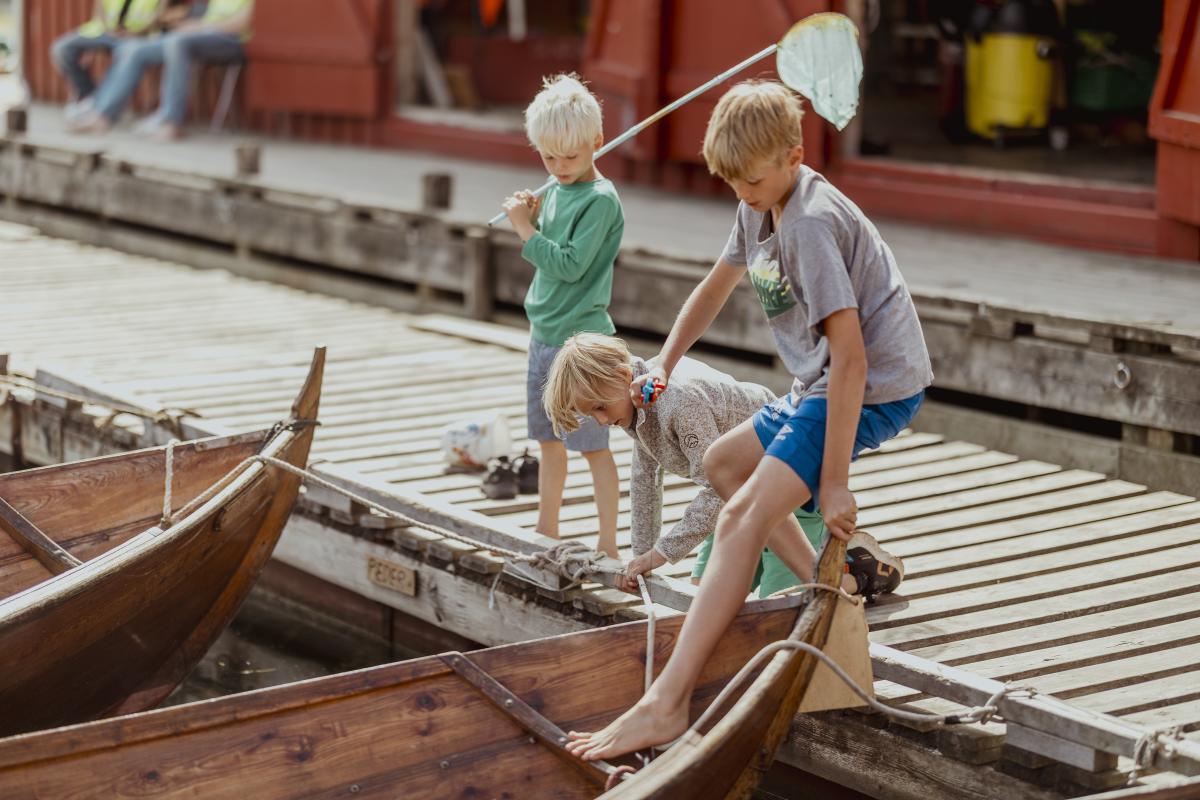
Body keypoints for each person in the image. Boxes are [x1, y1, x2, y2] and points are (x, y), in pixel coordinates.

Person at [565, 79, 933, 762]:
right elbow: (714, 288)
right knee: (724, 464)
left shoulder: (810, 224)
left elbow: (852, 358)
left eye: (753, 180)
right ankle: (831, 589)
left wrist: (834, 481)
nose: (743, 193)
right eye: (732, 182)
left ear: (795, 156)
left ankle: (666, 703)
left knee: (738, 519)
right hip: (818, 382)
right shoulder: (760, 205)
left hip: (867, 387)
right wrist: (665, 362)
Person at [543, 332, 903, 599]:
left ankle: (856, 572)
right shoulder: (636, 407)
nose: (601, 421)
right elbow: (645, 481)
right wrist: (641, 558)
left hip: (789, 489)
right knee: (704, 597)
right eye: (591, 414)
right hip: (738, 499)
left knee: (789, 604)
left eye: (600, 407)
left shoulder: (678, 403)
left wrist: (662, 553)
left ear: (624, 375)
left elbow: (716, 486)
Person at [501, 74, 623, 560]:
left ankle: (609, 542)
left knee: (592, 446)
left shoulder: (600, 200)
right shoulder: (556, 187)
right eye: (548, 157)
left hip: (582, 343)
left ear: (597, 141)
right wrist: (534, 213)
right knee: (548, 440)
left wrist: (524, 230)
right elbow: (550, 237)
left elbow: (570, 265)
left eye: (569, 156)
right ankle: (546, 528)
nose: (559, 167)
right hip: (544, 334)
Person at [68, 0, 253, 139]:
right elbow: (199, 14)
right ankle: (102, 116)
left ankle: (171, 122)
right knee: (134, 49)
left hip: (232, 41)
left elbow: (242, 24)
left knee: (177, 42)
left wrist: (200, 27)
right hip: (199, 36)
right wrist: (183, 22)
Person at [50, 0, 164, 120]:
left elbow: (161, 15)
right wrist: (108, 30)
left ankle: (103, 108)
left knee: (127, 56)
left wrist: (135, 33)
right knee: (62, 49)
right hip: (105, 32)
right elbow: (99, 9)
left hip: (140, 37)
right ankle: (88, 97)